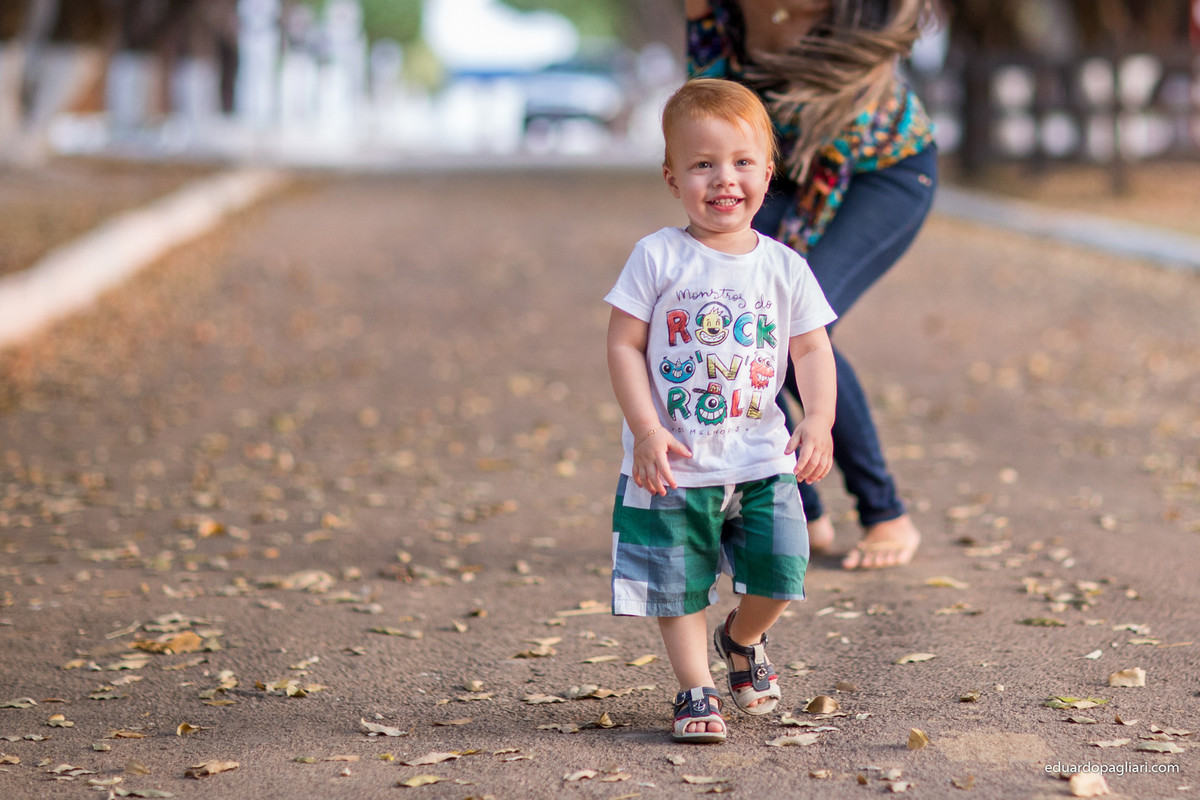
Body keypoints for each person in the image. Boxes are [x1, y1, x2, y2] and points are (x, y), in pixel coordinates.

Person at [605, 78, 838, 743]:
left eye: (741, 162)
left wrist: (818, 419)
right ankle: (694, 689)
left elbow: (812, 349)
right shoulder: (658, 256)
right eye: (702, 164)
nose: (724, 178)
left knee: (783, 567)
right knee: (676, 584)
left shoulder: (785, 268)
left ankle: (740, 638)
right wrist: (646, 430)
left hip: (762, 455)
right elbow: (623, 345)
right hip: (675, 461)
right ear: (673, 178)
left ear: (767, 173)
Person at [686, 0, 941, 569]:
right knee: (734, 326)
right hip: (783, 170)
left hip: (882, 171)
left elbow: (835, 155)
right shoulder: (719, 10)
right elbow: (707, 90)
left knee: (790, 329)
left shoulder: (851, 14)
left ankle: (886, 514)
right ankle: (804, 511)